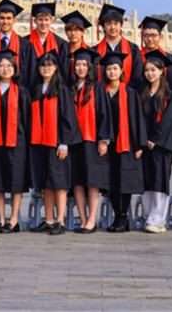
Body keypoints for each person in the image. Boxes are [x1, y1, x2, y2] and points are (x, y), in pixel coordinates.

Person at [28, 51, 79, 235]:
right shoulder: (36, 89)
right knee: (45, 182)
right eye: (43, 65)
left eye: (49, 65)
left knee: (59, 182)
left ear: (56, 67)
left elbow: (68, 118)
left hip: (56, 143)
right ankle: (48, 219)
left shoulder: (62, 90)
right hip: (39, 142)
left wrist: (64, 143)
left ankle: (60, 220)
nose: (46, 68)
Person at [67, 39, 111, 233]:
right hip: (73, 141)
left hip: (92, 140)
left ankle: (92, 219)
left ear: (90, 67)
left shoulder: (97, 88)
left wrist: (103, 140)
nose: (81, 67)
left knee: (92, 181)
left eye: (84, 64)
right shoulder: (71, 88)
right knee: (77, 181)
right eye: (78, 64)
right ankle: (83, 219)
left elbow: (104, 114)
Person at [98, 52, 145, 233]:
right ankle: (117, 215)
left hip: (126, 142)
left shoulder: (130, 93)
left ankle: (122, 217)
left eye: (115, 68)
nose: (112, 71)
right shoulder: (101, 91)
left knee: (125, 181)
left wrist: (139, 144)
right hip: (107, 143)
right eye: (109, 68)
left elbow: (137, 119)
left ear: (121, 70)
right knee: (111, 181)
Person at [0, 49, 29, 233]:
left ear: (14, 68)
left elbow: (27, 119)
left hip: (16, 142)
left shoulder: (22, 92)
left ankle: (14, 220)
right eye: (1, 66)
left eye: (8, 66)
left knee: (15, 181)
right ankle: (1, 220)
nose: (5, 69)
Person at [138, 51, 172, 233]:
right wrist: (142, 139)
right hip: (144, 144)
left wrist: (156, 139)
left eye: (153, 70)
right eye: (147, 70)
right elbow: (137, 118)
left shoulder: (169, 95)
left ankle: (158, 219)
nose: (150, 73)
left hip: (160, 146)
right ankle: (148, 216)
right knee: (146, 181)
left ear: (162, 71)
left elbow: (171, 120)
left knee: (159, 181)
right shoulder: (142, 93)